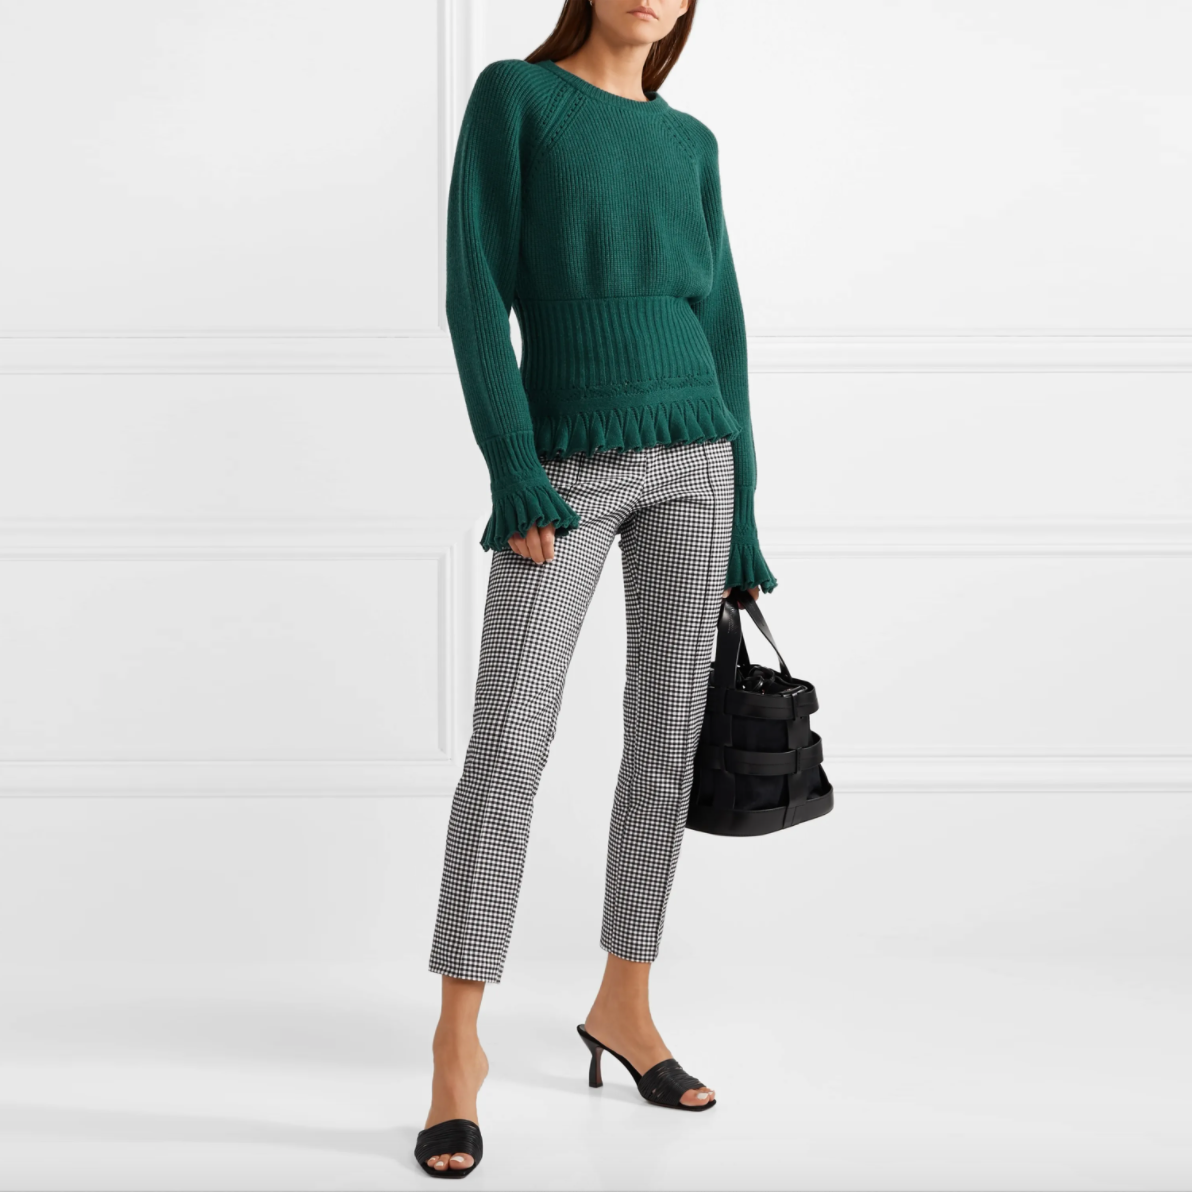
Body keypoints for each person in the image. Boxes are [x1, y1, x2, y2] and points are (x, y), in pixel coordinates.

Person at [415, 0, 777, 1176]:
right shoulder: (519, 98)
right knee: (508, 745)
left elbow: (723, 330)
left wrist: (744, 512)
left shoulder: (690, 141)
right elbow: (474, 286)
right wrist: (514, 470)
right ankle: (456, 1046)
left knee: (665, 747)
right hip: (564, 468)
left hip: (697, 463)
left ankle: (626, 1001)